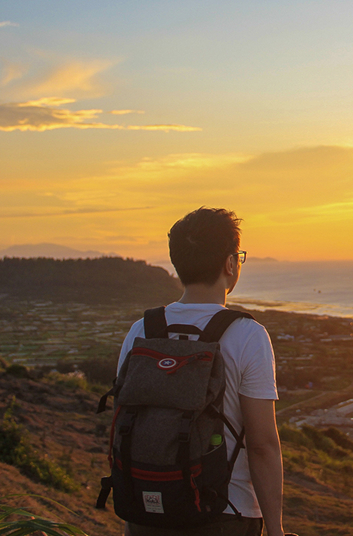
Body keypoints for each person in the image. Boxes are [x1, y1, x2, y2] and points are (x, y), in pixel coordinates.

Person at [115, 207, 285, 536]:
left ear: (178, 265)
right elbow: (263, 445)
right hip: (224, 513)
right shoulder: (248, 335)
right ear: (230, 263)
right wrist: (276, 529)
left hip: (146, 512)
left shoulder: (141, 331)